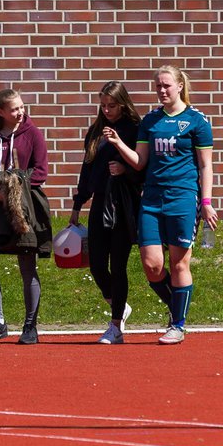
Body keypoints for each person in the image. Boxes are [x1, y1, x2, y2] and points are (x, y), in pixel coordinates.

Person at [126, 65, 216, 345]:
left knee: (180, 264)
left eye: (166, 86)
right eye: (158, 87)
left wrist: (207, 202)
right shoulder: (150, 121)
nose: (162, 91)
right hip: (152, 199)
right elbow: (141, 162)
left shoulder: (197, 121)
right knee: (152, 265)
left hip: (183, 199)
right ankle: (176, 304)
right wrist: (118, 145)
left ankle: (177, 324)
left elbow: (206, 165)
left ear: (179, 86)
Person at [0, 88, 50, 345]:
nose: (20, 112)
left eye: (21, 106)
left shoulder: (32, 133)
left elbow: (41, 171)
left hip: (25, 210)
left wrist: (16, 186)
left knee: (27, 267)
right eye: (14, 109)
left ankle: (30, 325)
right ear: (1, 112)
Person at [70, 82, 143, 344]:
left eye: (111, 105)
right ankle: (120, 306)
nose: (107, 110)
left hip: (123, 203)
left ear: (123, 104)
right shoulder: (96, 131)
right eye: (103, 105)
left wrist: (126, 169)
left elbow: (143, 167)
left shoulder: (135, 129)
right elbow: (86, 170)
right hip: (100, 203)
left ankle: (115, 327)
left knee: (118, 265)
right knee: (97, 265)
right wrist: (77, 205)